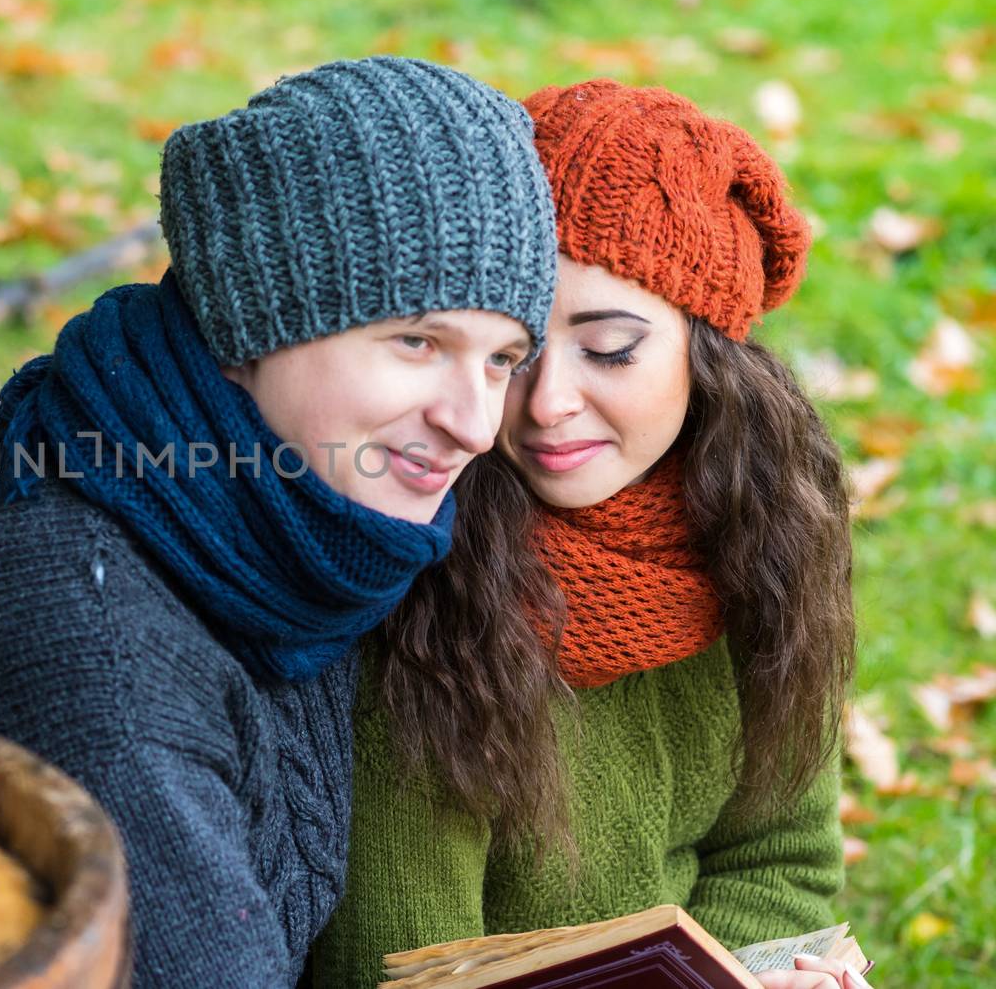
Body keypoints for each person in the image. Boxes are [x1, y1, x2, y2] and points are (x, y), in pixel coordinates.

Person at [0, 56, 559, 988]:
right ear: (252, 329)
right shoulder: (100, 658)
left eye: (502, 360)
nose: (475, 422)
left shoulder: (275, 529)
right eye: (417, 341)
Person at [312, 80, 868, 989]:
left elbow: (782, 861)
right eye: (512, 350)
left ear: (709, 353)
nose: (546, 403)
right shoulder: (417, 573)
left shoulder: (761, 532)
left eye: (609, 348)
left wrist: (757, 973)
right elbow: (399, 962)